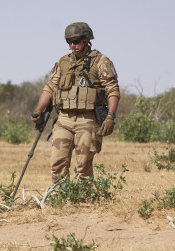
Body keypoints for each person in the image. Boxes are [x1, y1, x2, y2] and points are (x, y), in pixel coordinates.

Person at [31, 22, 120, 183]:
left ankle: (83, 200)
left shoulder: (100, 61)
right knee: (57, 163)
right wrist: (39, 110)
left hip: (88, 120)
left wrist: (111, 116)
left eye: (76, 41)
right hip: (64, 119)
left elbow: (112, 90)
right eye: (69, 42)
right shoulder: (64, 62)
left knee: (83, 165)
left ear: (86, 40)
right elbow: (50, 87)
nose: (72, 45)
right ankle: (60, 197)